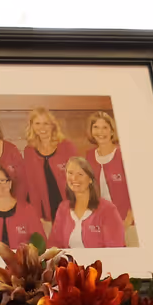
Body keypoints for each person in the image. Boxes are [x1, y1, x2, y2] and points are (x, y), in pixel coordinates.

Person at [83, 110, 137, 243]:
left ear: (112, 131)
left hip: (127, 222)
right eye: (96, 127)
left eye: (105, 128)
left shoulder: (123, 154)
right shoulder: (89, 156)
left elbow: (136, 191)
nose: (100, 132)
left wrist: (127, 222)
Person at [50, 154, 126, 249]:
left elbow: (115, 249)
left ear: (90, 179)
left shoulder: (108, 209)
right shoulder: (63, 208)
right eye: (70, 173)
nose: (74, 178)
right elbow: (54, 245)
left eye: (80, 174)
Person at [20, 107, 76, 233]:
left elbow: (79, 178)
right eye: (37, 123)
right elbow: (32, 185)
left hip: (70, 205)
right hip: (47, 209)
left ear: (53, 125)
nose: (42, 128)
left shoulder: (66, 146)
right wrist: (38, 215)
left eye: (46, 123)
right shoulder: (29, 151)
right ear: (32, 126)